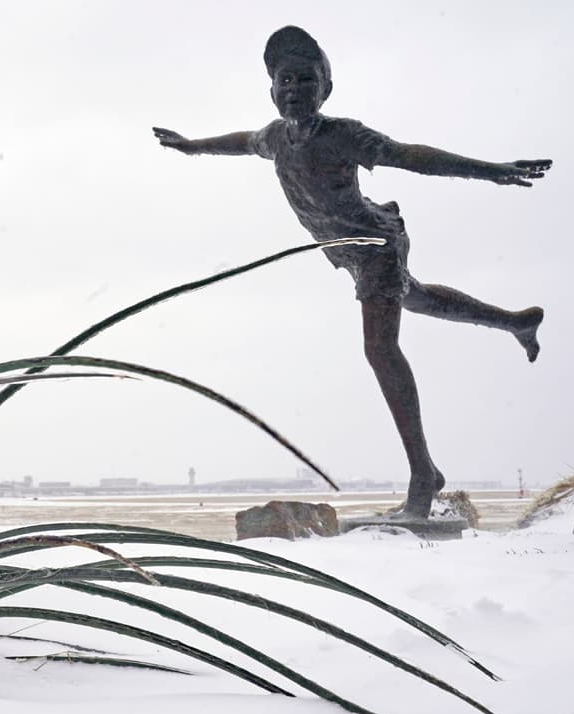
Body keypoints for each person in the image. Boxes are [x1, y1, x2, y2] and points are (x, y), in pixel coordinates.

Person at [151, 26, 550, 518]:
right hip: (350, 252)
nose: (294, 89)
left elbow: (410, 156)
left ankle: (423, 474)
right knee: (419, 298)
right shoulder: (276, 138)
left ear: (325, 89)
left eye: (305, 80)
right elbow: (241, 141)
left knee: (379, 347)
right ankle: (515, 322)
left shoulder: (342, 135)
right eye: (284, 81)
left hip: (374, 245)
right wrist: (192, 146)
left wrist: (491, 170)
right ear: (272, 91)